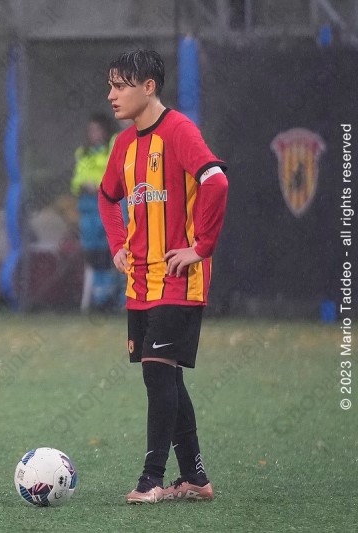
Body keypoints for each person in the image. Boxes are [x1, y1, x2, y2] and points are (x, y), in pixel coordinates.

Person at [97, 50, 228, 504]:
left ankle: (151, 479)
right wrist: (117, 245)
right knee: (167, 378)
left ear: (149, 86)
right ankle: (195, 478)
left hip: (179, 280)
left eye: (120, 85)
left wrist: (201, 248)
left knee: (158, 374)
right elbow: (106, 197)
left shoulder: (179, 131)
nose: (111, 95)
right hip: (140, 285)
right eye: (111, 85)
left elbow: (216, 181)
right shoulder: (123, 145)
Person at [70, 113, 119, 312]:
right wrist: (83, 185)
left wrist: (100, 186)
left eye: (98, 130)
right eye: (91, 130)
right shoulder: (83, 153)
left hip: (107, 204)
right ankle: (100, 298)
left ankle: (114, 296)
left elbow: (115, 174)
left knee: (111, 251)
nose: (94, 134)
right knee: (93, 253)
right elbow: (76, 179)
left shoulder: (112, 148)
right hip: (87, 207)